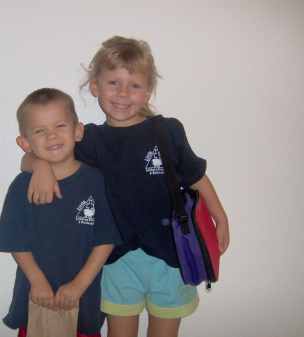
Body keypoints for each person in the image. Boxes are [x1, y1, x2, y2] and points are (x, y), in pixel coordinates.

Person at [21, 36, 230, 337]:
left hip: (171, 258)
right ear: (95, 86)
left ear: (148, 91)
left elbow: (195, 175)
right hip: (116, 261)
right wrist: (40, 167)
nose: (122, 93)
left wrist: (220, 217)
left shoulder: (168, 131)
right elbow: (33, 156)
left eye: (134, 85)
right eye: (113, 83)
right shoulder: (88, 139)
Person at [0, 88, 122, 337]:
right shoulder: (22, 186)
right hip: (35, 299)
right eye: (40, 130)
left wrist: (79, 284)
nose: (51, 135)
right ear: (25, 143)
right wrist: (37, 281)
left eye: (60, 126)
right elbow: (14, 240)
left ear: (78, 131)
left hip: (83, 299)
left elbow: (106, 239)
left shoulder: (96, 181)